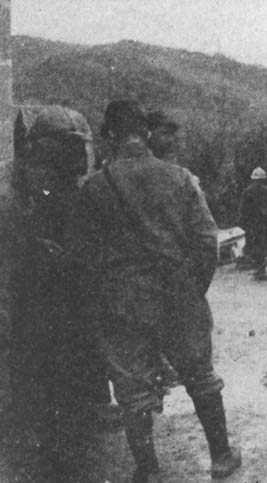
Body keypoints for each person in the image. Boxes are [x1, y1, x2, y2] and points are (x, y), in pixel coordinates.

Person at [73, 100, 242, 482]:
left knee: (133, 392)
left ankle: (148, 471)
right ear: (146, 133)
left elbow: (84, 255)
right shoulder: (180, 178)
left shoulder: (93, 188)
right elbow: (207, 241)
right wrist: (192, 290)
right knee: (200, 376)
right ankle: (221, 457)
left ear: (109, 136)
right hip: (178, 295)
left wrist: (107, 296)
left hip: (122, 304)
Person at [8, 106, 108, 481]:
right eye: (67, 147)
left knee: (67, 381)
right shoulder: (17, 190)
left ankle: (65, 448)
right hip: (33, 301)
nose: (75, 157)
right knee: (40, 380)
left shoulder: (70, 187)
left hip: (65, 301)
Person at [240, 167, 267, 281]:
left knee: (254, 248)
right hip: (264, 226)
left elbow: (243, 210)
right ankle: (261, 271)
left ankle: (259, 270)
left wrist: (244, 224)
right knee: (263, 248)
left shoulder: (248, 192)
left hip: (253, 226)